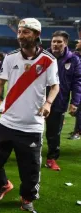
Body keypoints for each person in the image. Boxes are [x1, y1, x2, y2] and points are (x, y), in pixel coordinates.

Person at [0, 18, 60, 213]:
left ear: (36, 35)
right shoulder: (9, 58)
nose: (20, 35)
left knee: (30, 170)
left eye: (25, 32)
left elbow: (55, 86)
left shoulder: (48, 60)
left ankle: (27, 199)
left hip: (31, 125)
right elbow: (0, 83)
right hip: (7, 121)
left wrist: (48, 103)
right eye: (19, 31)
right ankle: (1, 185)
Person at [44, 31, 81, 171]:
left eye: (59, 42)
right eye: (54, 41)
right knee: (31, 129)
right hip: (39, 100)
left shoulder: (74, 60)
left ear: (65, 43)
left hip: (59, 101)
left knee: (54, 133)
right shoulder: (43, 56)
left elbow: (77, 82)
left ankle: (51, 159)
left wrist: (75, 102)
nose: (56, 44)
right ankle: (29, 154)